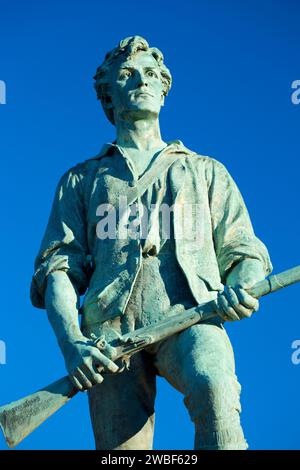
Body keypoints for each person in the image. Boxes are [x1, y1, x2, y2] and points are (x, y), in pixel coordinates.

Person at [30, 36, 272, 450]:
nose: (141, 81)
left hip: (194, 315)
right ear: (108, 95)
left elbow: (244, 249)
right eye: (127, 75)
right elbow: (59, 270)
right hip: (109, 338)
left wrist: (242, 285)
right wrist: (72, 345)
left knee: (216, 391)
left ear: (164, 86)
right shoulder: (81, 180)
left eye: (151, 74)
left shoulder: (206, 172)